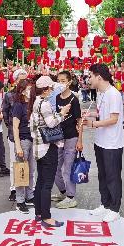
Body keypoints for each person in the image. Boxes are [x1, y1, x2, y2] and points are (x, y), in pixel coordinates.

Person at [83, 63, 124, 223]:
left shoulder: (113, 94)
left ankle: (115, 208)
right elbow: (102, 113)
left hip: (112, 143)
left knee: (113, 176)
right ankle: (105, 204)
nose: (89, 80)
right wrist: (90, 113)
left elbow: (113, 119)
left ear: (99, 77)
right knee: (102, 175)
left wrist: (92, 124)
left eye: (91, 76)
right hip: (100, 141)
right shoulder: (101, 93)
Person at [30, 75, 71, 228]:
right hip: (47, 148)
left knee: (41, 181)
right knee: (47, 184)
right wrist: (62, 113)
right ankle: (46, 217)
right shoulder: (44, 103)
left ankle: (39, 213)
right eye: (51, 88)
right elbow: (51, 123)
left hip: (39, 148)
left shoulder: (36, 101)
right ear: (46, 90)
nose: (53, 89)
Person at [53, 71, 83, 209]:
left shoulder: (74, 100)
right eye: (58, 80)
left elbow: (79, 121)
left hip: (71, 137)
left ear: (69, 82)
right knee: (55, 167)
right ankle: (63, 192)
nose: (61, 83)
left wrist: (80, 140)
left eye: (63, 80)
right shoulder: (56, 98)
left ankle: (71, 197)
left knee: (68, 168)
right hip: (58, 137)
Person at [10, 78, 35, 212]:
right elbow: (15, 127)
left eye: (31, 88)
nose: (31, 91)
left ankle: (30, 196)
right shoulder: (18, 105)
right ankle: (20, 201)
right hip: (23, 140)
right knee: (21, 171)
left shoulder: (32, 104)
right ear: (22, 91)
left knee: (31, 170)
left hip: (33, 140)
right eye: (29, 89)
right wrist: (18, 146)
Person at [4, 68, 28, 201]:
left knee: (30, 164)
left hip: (29, 136)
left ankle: (30, 191)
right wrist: (14, 128)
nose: (24, 83)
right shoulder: (9, 95)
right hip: (14, 136)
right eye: (22, 80)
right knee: (15, 163)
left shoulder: (31, 95)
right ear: (16, 80)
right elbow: (5, 114)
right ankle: (14, 189)